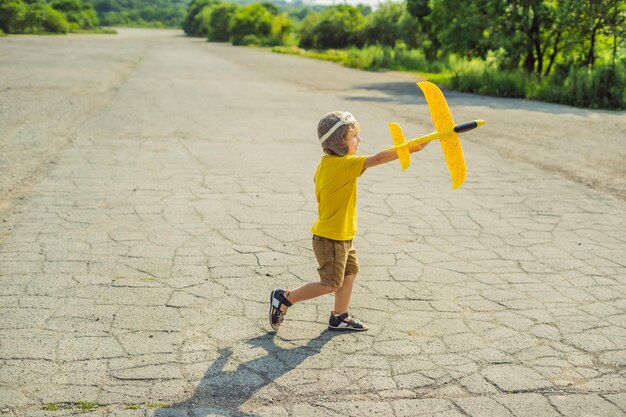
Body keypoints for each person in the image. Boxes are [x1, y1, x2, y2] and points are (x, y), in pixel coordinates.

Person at [269, 111, 429, 331]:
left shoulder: (328, 163)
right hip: (331, 238)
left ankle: (339, 316)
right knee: (330, 284)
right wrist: (410, 148)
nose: (359, 140)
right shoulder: (345, 166)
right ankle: (285, 298)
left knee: (349, 273)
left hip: (341, 235)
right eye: (354, 136)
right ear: (340, 143)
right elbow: (379, 158)